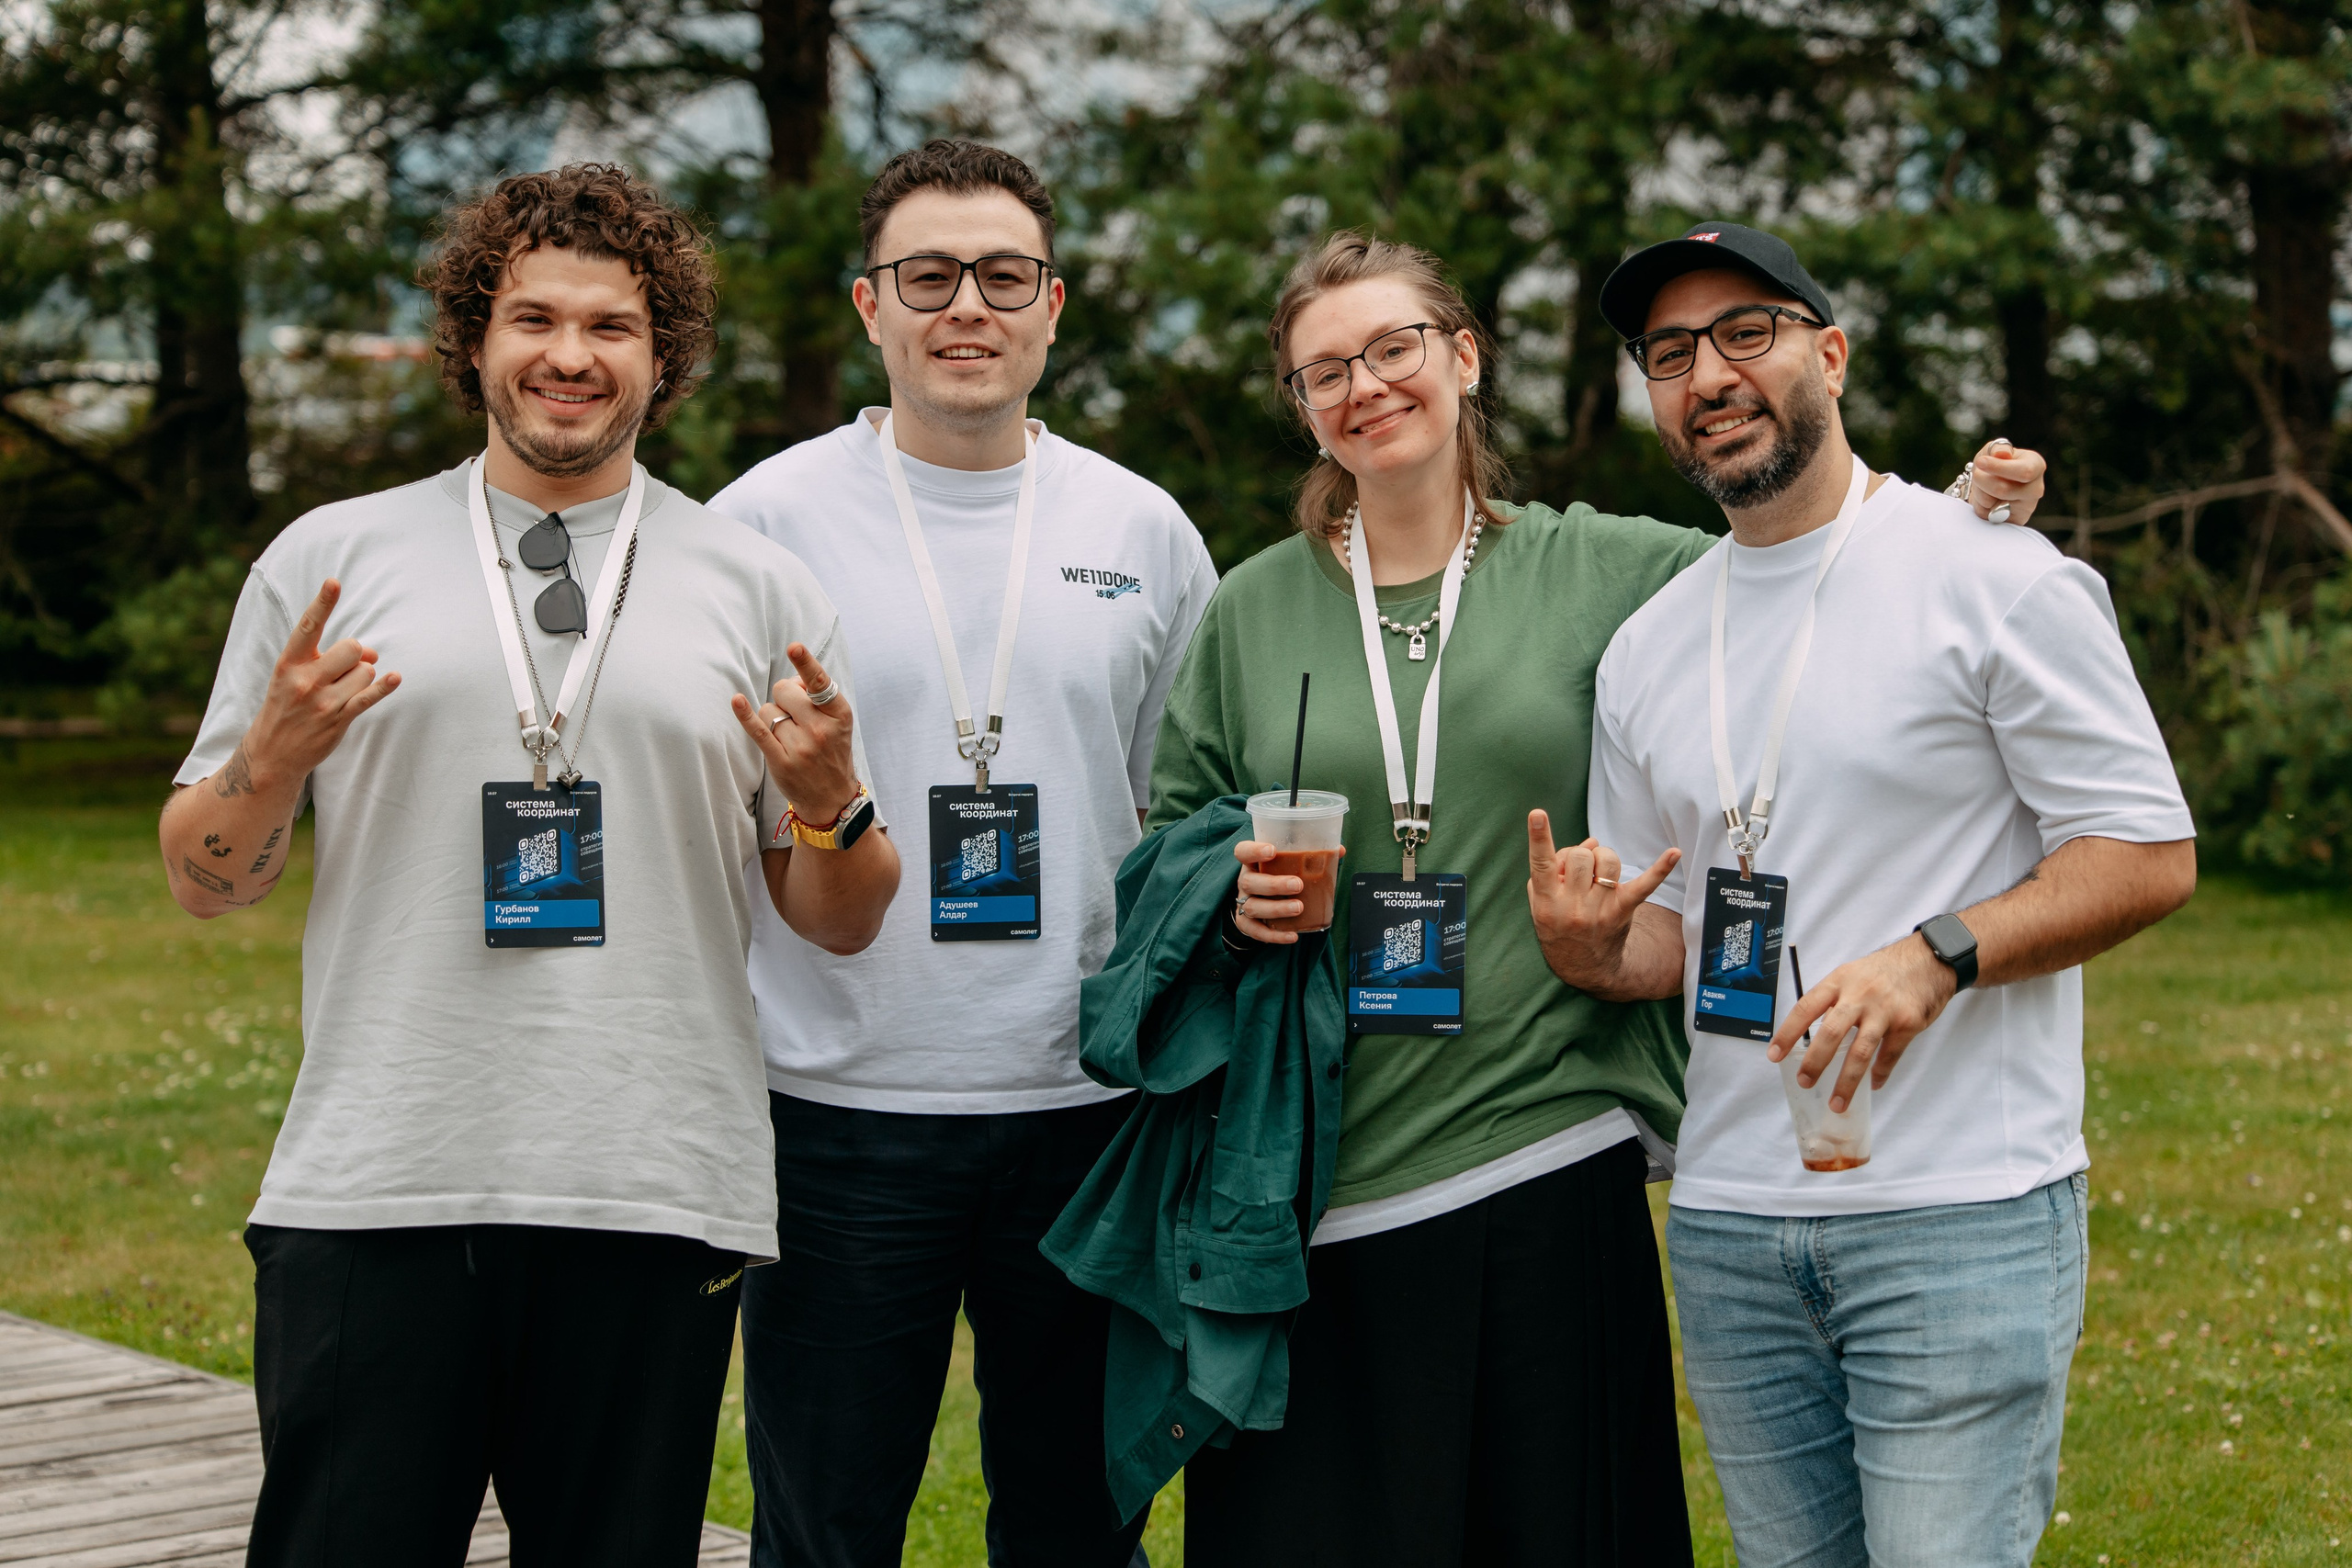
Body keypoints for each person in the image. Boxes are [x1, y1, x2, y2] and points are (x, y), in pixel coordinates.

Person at [159, 164, 899, 1567]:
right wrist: (270, 763)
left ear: (664, 354)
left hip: (653, 1187)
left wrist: (829, 804)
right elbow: (205, 877)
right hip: (377, 1184)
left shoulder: (758, 586)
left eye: (612, 326)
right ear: (473, 339)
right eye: (532, 318)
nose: (569, 355)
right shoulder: (334, 558)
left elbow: (843, 922)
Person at [1539, 220, 2197, 1568]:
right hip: (1729, 1223)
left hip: (1959, 1214)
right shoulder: (1652, 644)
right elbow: (1678, 933)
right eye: (1670, 353)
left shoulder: (1993, 574)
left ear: (1828, 356)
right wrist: (1600, 951)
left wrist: (1935, 955)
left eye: (1746, 333)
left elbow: (2143, 851)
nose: (1709, 374)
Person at [707, 140, 1215, 1568]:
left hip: (1083, 1107)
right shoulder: (762, 525)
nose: (967, 307)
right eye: (927, 276)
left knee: (1076, 1522)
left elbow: (1176, 810)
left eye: (1004, 275)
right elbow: (721, 822)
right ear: (869, 307)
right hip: (836, 1109)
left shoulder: (1145, 530)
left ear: (1055, 305)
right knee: (826, 1519)